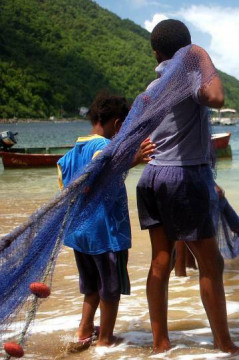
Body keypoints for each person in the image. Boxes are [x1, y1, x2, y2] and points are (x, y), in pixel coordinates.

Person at [135, 19, 239, 354]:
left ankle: (160, 343)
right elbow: (217, 97)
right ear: (186, 50)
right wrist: (202, 57)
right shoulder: (188, 76)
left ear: (155, 51)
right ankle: (224, 345)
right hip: (182, 178)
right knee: (212, 264)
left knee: (160, 262)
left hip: (151, 178)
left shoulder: (151, 89)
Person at [57, 92, 154, 350]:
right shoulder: (103, 147)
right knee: (110, 289)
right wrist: (134, 159)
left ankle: (84, 331)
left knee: (91, 287)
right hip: (106, 233)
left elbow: (71, 186)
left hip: (80, 232)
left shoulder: (72, 151)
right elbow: (101, 176)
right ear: (119, 124)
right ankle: (106, 339)